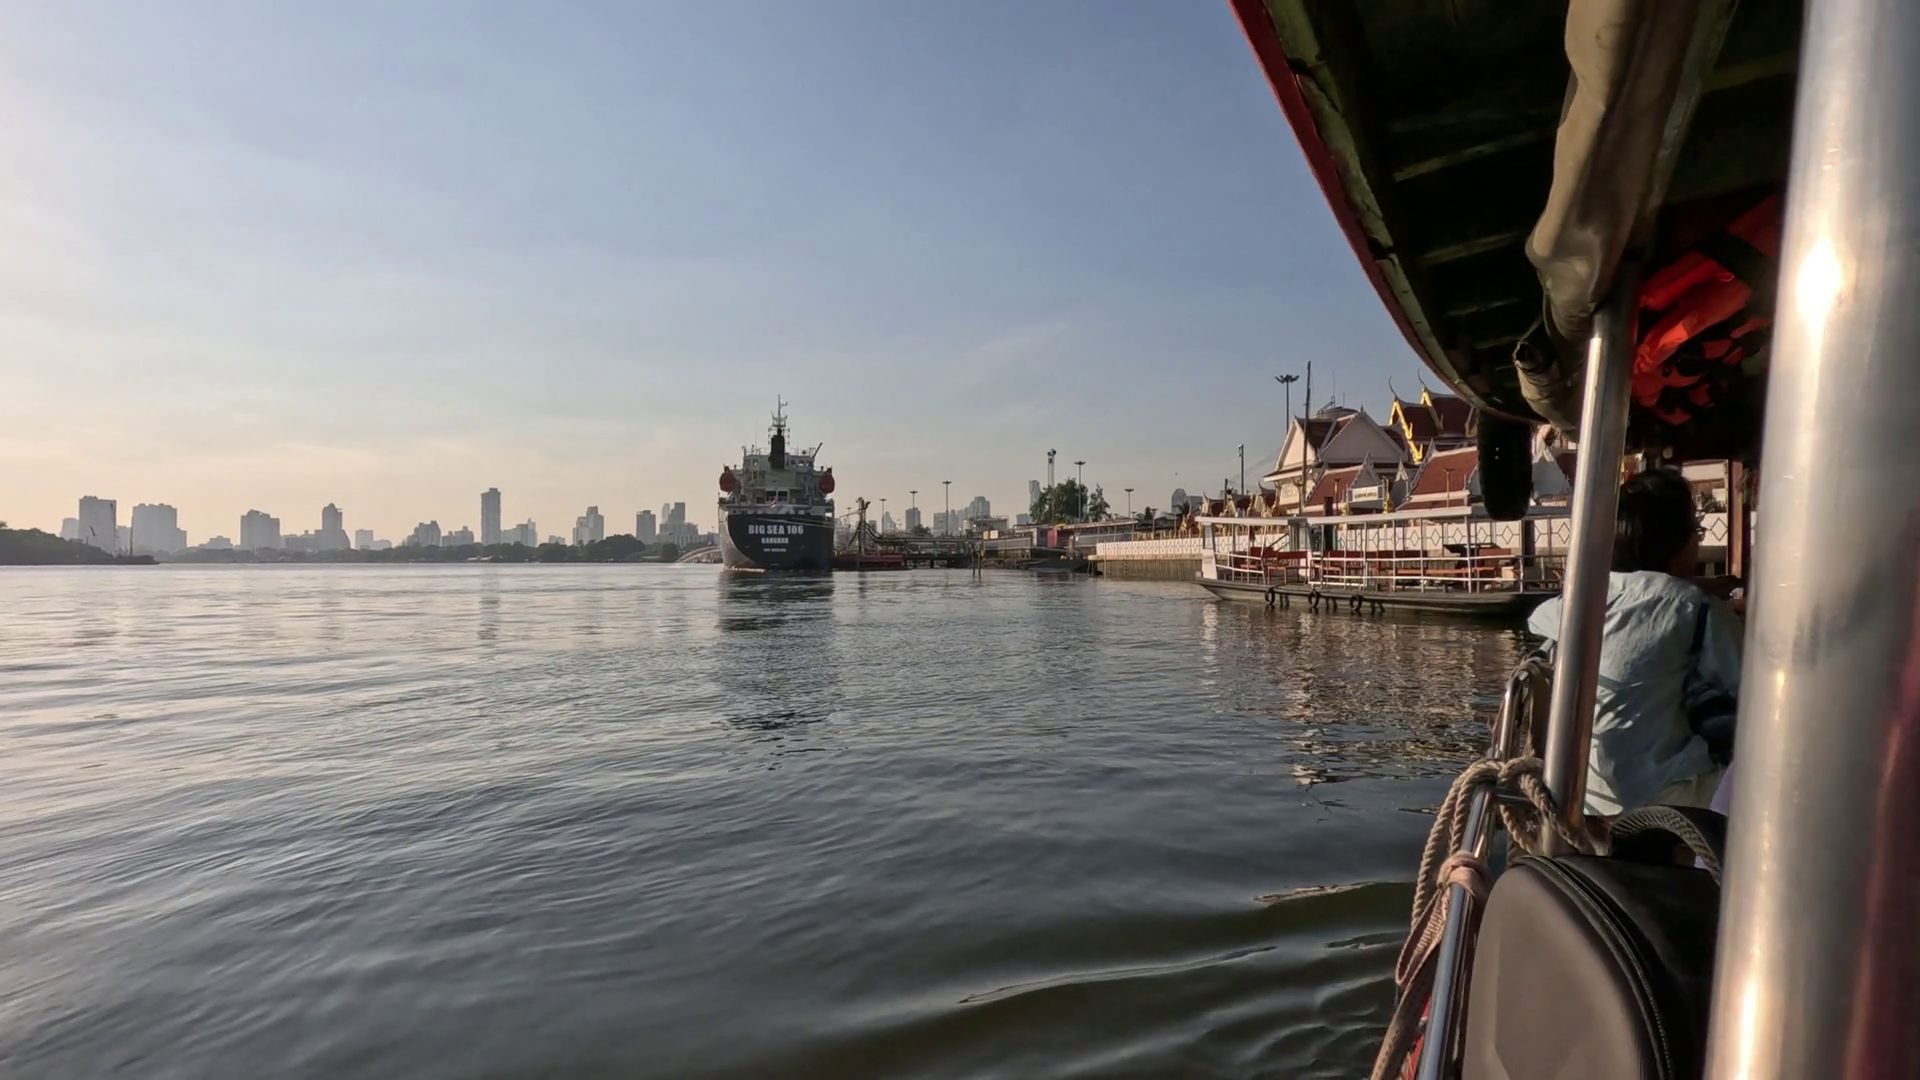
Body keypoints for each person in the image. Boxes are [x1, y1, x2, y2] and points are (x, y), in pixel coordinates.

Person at [1528, 467, 1743, 817]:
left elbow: (1536, 617)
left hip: (1585, 793)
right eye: (1697, 532)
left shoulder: (1587, 596)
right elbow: (1749, 685)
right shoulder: (1696, 608)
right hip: (1662, 794)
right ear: (1676, 541)